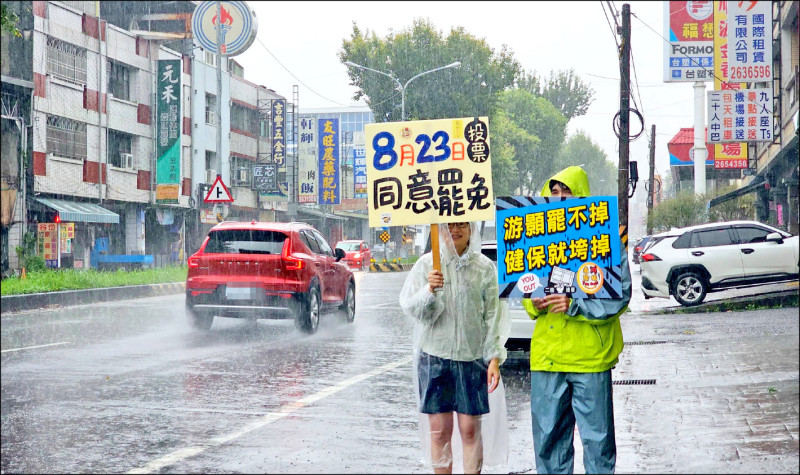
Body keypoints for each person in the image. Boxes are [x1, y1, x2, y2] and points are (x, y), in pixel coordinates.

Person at [523, 166, 632, 474]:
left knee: (598, 443)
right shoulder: (536, 239)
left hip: (590, 358)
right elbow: (526, 294)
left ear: (582, 197)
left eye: (566, 193)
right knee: (548, 443)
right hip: (548, 359)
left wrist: (575, 305)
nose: (559, 199)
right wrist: (535, 303)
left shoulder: (605, 238)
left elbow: (619, 295)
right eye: (553, 193)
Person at [399, 221, 511, 474]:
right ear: (439, 229)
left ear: (472, 229)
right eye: (449, 225)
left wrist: (494, 358)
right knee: (439, 431)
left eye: (462, 224)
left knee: (470, 428)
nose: (456, 230)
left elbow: (493, 316)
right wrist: (430, 289)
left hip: (472, 358)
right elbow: (412, 309)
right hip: (433, 357)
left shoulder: (484, 268)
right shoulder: (427, 265)